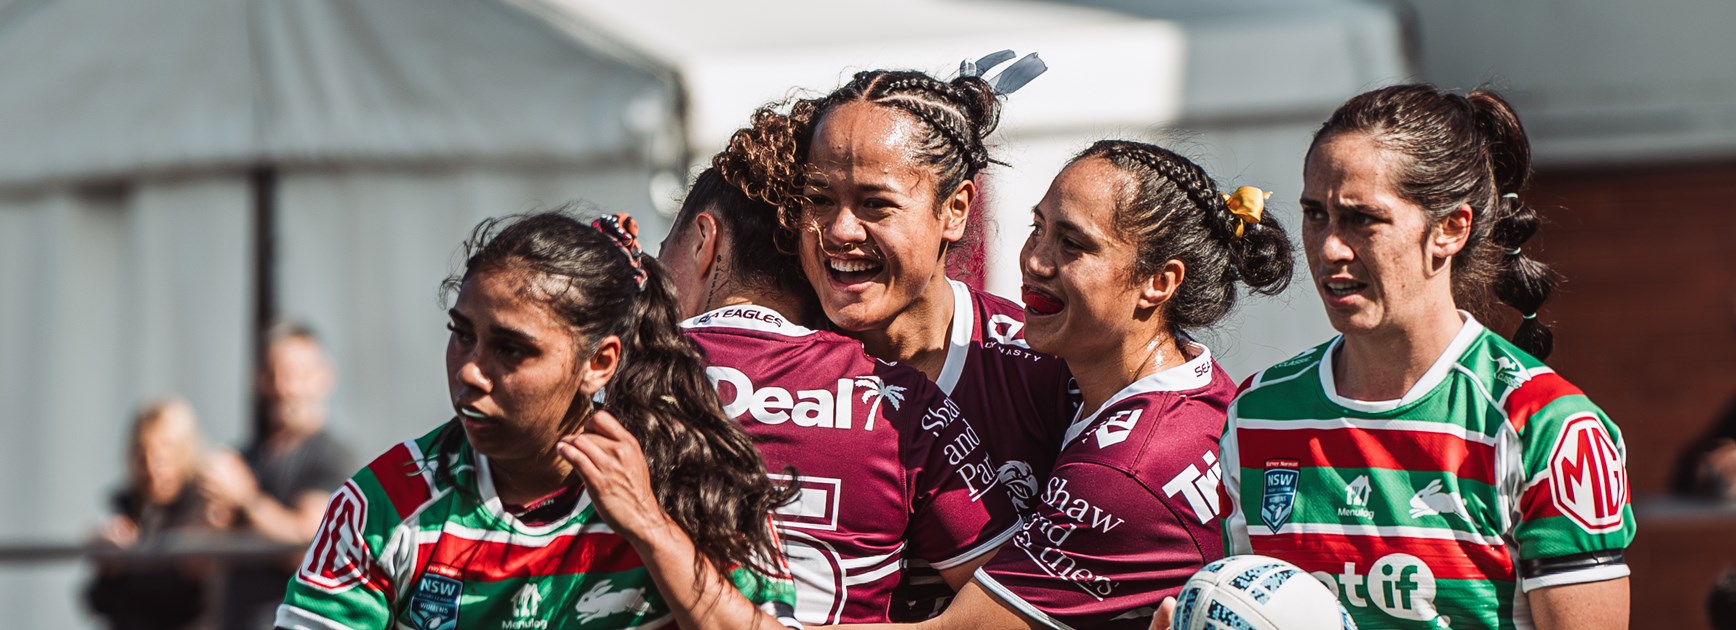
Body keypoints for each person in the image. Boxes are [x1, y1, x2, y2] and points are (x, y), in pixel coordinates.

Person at [1220, 84, 1635, 629]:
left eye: (1363, 219)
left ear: (1450, 229)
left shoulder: (1548, 427)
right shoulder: (1259, 413)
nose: (1329, 248)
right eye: (1316, 215)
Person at [276, 209, 802, 630]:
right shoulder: (385, 503)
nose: (471, 371)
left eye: (512, 350)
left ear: (599, 363)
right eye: (462, 335)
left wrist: (650, 528)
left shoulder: (696, 486)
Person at [843, 140, 1292, 629]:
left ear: (1159, 283)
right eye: (1037, 228)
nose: (1035, 261)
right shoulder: (1191, 378)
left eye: (1073, 245)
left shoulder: (1123, 472)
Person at [735, 67, 1076, 619]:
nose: (840, 231)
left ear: (955, 210)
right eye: (819, 199)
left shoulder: (1044, 366)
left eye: (875, 204)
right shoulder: (752, 369)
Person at [656, 154, 1020, 623]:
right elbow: (1012, 602)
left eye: (665, 251)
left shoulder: (623, 371)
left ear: (705, 241)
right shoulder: (903, 400)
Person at [200, 322, 355, 630]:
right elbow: (199, 557)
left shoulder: (333, 457)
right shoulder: (245, 457)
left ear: (325, 376)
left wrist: (244, 501)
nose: (283, 388)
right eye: (272, 374)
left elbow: (309, 548)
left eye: (296, 374)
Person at [87, 397, 229, 630]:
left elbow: (182, 595)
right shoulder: (130, 509)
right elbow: (98, 599)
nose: (153, 467)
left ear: (185, 451)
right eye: (143, 454)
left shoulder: (206, 510)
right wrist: (107, 562)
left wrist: (126, 562)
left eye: (165, 452)